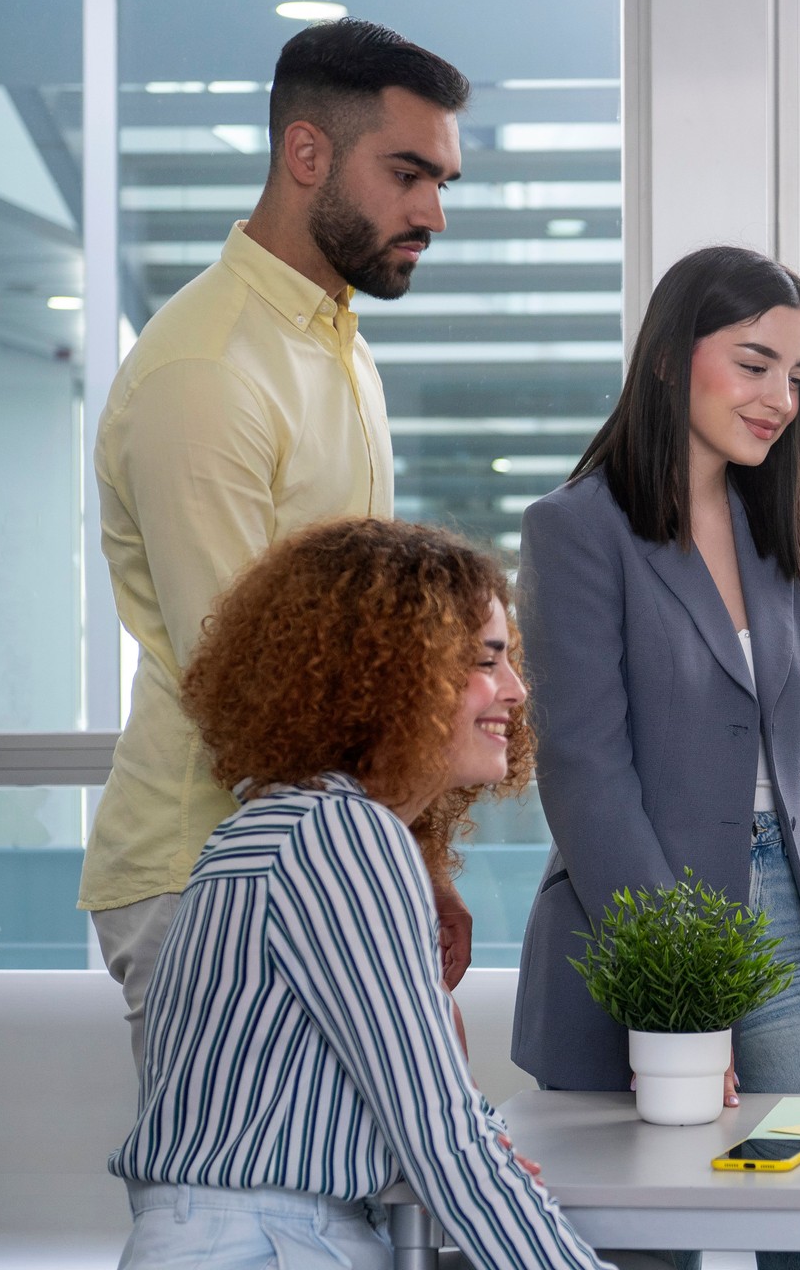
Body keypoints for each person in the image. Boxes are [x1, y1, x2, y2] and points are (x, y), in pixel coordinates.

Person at [513, 246, 800, 1270]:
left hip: (790, 920)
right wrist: (684, 990)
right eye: (753, 364)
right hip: (641, 918)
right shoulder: (577, 530)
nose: (780, 397)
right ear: (669, 359)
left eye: (796, 375)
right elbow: (583, 772)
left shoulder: (787, 524)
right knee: (648, 1240)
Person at [79, 18, 473, 1068]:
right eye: (406, 173)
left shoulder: (337, 347)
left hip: (319, 854)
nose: (431, 211)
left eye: (443, 181)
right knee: (238, 1220)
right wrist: (388, 883)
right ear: (307, 155)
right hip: (208, 873)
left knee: (351, 1216)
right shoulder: (205, 370)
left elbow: (363, 660)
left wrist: (417, 868)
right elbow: (252, 692)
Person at [109, 517, 610, 1270]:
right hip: (269, 1249)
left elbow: (417, 1108)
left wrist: (475, 1151)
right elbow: (441, 1138)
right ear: (388, 676)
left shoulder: (279, 821)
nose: (516, 688)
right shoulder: (342, 838)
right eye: (484, 661)